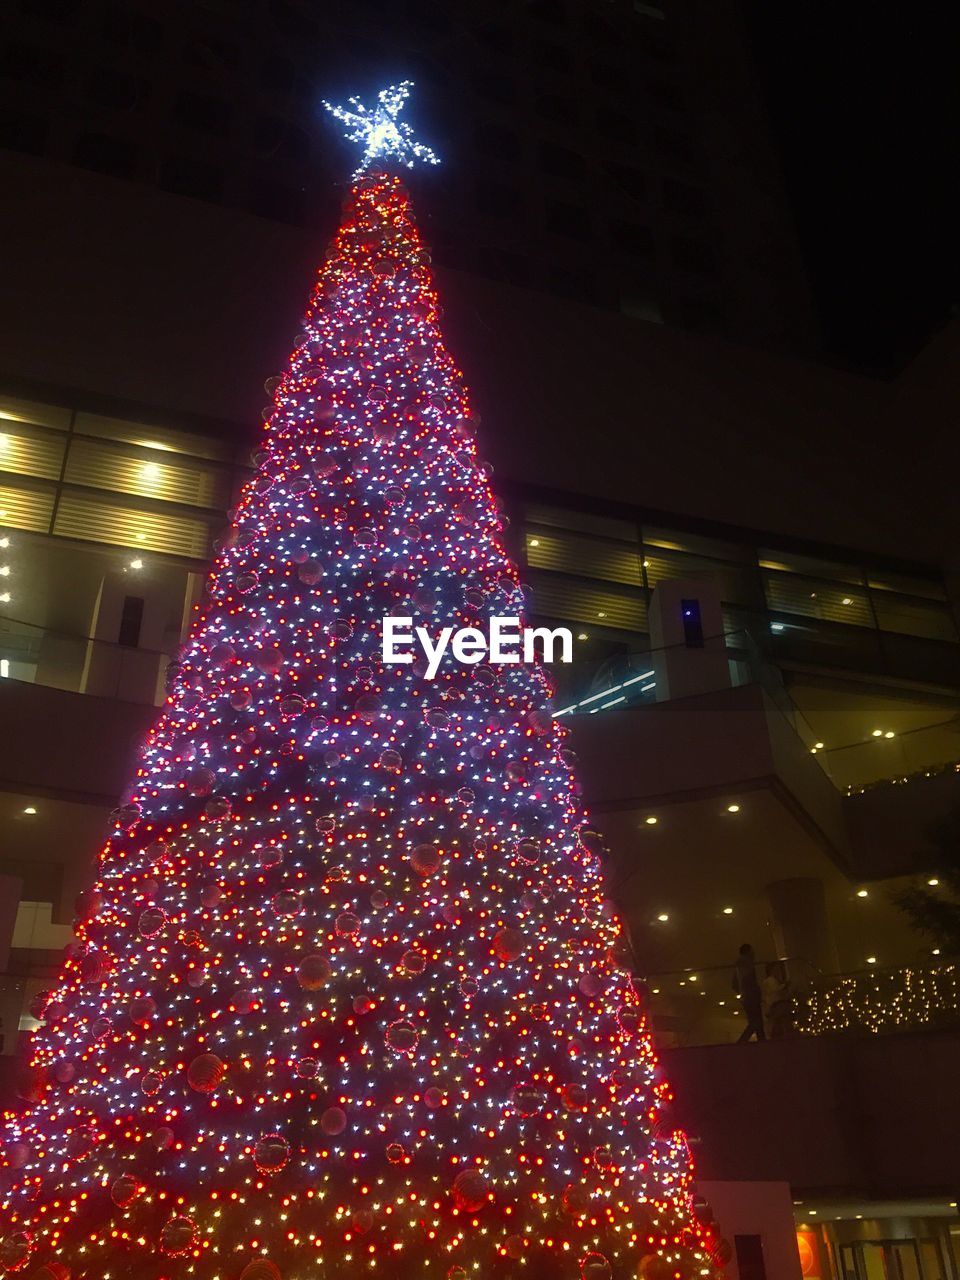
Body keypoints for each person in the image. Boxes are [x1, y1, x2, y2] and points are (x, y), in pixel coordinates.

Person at [732, 943, 765, 1042]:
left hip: (747, 997)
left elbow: (734, 984)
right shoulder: (746, 964)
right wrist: (755, 991)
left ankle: (761, 1041)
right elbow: (748, 979)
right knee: (756, 1022)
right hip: (751, 996)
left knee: (755, 1022)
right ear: (748, 952)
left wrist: (741, 993)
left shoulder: (738, 966)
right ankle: (743, 1042)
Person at [761, 960, 793, 1039]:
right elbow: (775, 990)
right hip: (776, 1004)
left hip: (774, 1004)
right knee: (781, 1019)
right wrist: (785, 985)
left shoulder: (769, 981)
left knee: (778, 1021)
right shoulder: (770, 980)